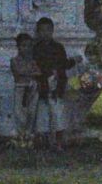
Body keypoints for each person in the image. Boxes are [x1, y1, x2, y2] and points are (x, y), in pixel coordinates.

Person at [30, 17, 73, 148]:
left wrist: (59, 85)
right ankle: (45, 142)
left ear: (52, 31)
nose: (45, 33)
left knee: (58, 115)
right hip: (42, 85)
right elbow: (34, 67)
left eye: (48, 30)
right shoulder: (36, 49)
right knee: (42, 117)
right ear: (38, 32)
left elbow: (63, 65)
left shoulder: (58, 48)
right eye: (42, 30)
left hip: (56, 85)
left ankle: (59, 143)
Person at [9, 33, 41, 143]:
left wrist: (28, 73)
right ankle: (20, 137)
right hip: (20, 88)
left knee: (32, 112)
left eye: (29, 46)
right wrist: (30, 73)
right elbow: (18, 72)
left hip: (32, 87)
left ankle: (29, 136)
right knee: (19, 113)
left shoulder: (32, 61)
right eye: (23, 45)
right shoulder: (14, 60)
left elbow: (38, 72)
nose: (26, 48)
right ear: (18, 46)